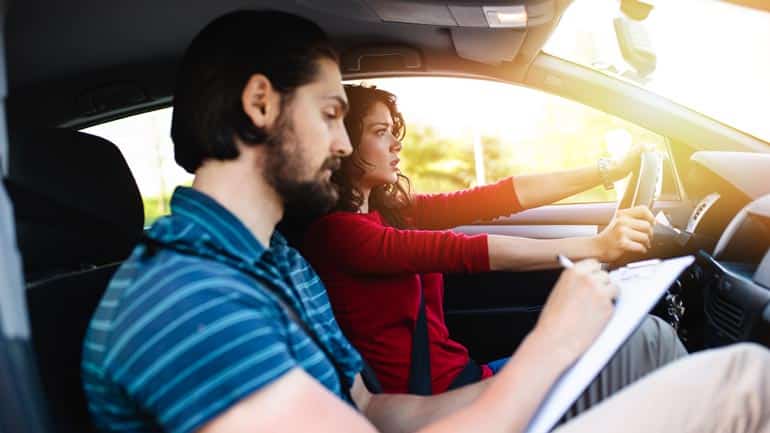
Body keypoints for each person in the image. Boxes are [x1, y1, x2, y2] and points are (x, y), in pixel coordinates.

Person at [81, 9, 770, 433]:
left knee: (657, 352)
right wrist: (552, 348)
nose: (346, 144)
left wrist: (538, 368)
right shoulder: (183, 299)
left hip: (440, 396)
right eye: (330, 115)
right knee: (743, 382)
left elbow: (380, 414)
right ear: (260, 104)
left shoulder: (278, 267)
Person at [302, 85, 684, 395]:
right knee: (651, 340)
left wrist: (607, 170)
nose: (396, 144)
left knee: (641, 343)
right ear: (345, 143)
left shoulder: (389, 212)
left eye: (392, 132)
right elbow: (464, 252)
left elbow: (497, 197)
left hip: (463, 377)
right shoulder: (337, 233)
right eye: (379, 133)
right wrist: (598, 247)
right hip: (439, 400)